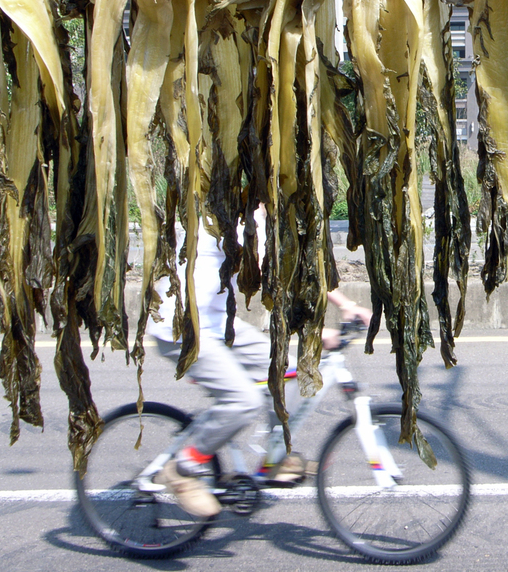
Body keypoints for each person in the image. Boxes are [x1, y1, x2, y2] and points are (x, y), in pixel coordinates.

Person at [151, 215, 370, 518]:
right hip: (182, 328)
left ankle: (275, 459)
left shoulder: (259, 216)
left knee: (284, 374)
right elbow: (276, 282)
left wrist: (345, 305)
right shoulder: (231, 213)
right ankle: (182, 469)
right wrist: (313, 329)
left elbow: (291, 269)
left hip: (218, 323)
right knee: (244, 400)